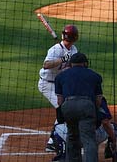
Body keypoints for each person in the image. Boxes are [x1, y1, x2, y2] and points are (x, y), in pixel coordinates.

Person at [38, 24, 79, 155]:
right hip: (47, 84)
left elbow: (73, 68)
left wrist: (69, 63)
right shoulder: (55, 49)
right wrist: (61, 59)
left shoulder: (73, 50)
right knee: (63, 110)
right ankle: (52, 142)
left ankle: (56, 139)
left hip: (59, 85)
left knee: (67, 109)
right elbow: (46, 65)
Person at [55, 52, 103, 162]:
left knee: (72, 136)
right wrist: (93, 111)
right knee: (88, 139)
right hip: (86, 106)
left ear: (71, 64)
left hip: (68, 106)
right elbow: (98, 100)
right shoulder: (95, 76)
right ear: (85, 63)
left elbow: (59, 101)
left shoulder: (60, 76)